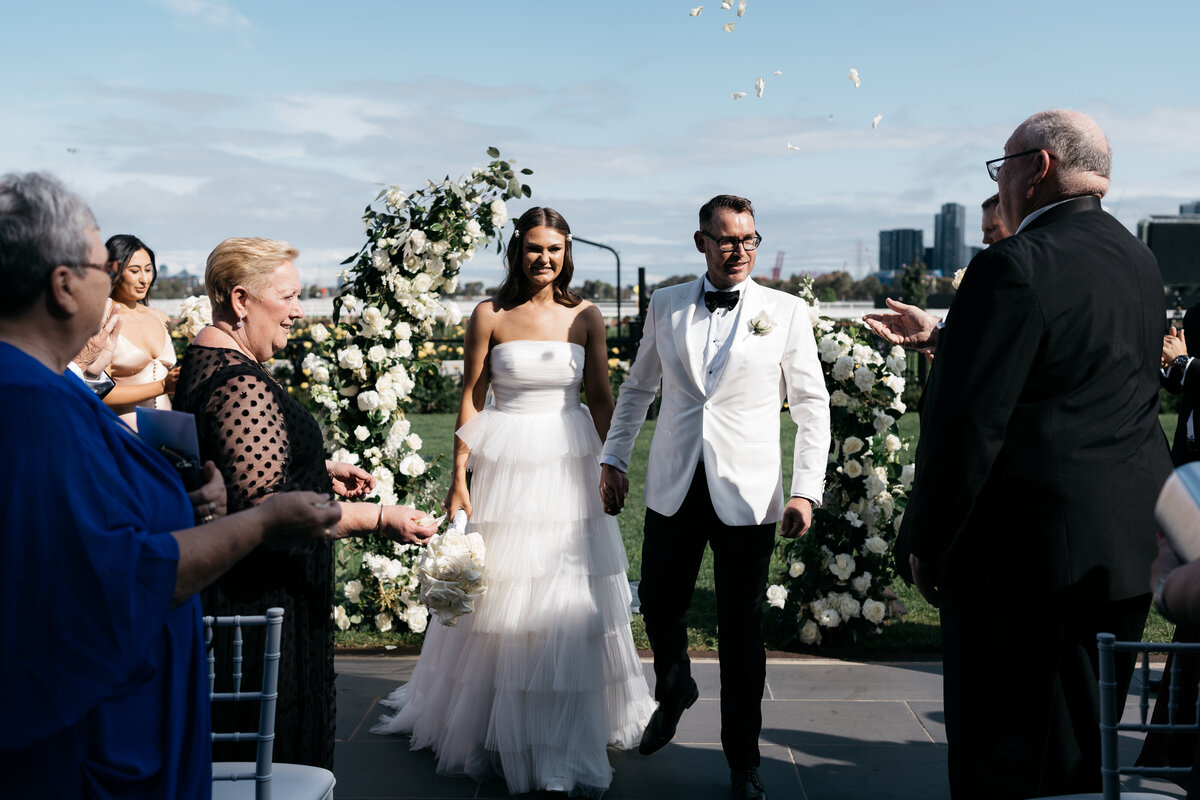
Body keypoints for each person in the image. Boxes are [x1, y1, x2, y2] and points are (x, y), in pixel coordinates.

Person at [0, 171, 342, 798]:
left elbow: (66, 531)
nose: (118, 286)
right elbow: (125, 573)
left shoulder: (46, 391)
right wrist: (263, 521)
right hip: (85, 746)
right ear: (63, 285)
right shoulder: (30, 405)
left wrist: (176, 504)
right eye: (103, 266)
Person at [881, 110, 1173, 799]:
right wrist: (943, 334)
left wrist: (928, 541)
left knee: (1003, 758)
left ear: (1037, 169)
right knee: (1078, 753)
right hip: (1121, 552)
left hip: (1023, 564)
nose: (1001, 181)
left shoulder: (1011, 264)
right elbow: (1069, 365)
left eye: (1002, 166)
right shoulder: (1139, 259)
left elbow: (968, 426)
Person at [372, 207, 656, 797]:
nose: (543, 259)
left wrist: (614, 462)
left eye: (554, 249)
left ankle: (559, 737)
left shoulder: (587, 316)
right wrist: (459, 477)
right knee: (501, 594)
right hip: (504, 464)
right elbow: (472, 396)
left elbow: (601, 396)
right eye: (533, 248)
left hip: (568, 461)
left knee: (565, 590)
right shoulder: (489, 315)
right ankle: (490, 727)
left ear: (567, 253)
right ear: (516, 252)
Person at [171, 237, 435, 770]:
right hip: (260, 596)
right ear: (241, 301)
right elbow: (267, 510)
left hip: (245, 591)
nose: (298, 310)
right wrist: (380, 518)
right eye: (288, 297)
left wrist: (317, 469)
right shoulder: (239, 384)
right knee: (270, 753)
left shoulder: (209, 356)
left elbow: (241, 468)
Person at [599, 194, 831, 800]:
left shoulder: (785, 311)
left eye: (749, 239)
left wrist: (806, 491)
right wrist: (614, 456)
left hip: (750, 495)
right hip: (674, 484)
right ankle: (674, 687)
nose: (740, 250)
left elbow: (812, 407)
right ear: (700, 241)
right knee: (659, 605)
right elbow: (635, 389)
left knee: (741, 631)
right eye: (727, 239)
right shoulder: (666, 304)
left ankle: (743, 761)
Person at [102, 234, 181, 430]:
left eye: (148, 270)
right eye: (135, 271)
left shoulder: (161, 317)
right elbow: (100, 394)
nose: (144, 279)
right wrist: (163, 386)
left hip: (168, 435)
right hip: (124, 435)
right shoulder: (103, 321)